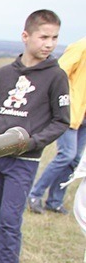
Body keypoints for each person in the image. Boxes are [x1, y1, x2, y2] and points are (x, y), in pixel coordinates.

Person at [0, 9, 70, 263]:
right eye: (43, 37)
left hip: (24, 161)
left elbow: (61, 121)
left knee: (9, 218)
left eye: (54, 38)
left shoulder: (56, 77)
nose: (49, 44)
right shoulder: (3, 74)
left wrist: (32, 143)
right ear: (26, 36)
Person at [28, 35, 86, 214]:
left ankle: (54, 201)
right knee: (66, 155)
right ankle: (34, 194)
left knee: (75, 160)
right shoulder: (81, 47)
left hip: (83, 116)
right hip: (70, 112)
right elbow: (59, 74)